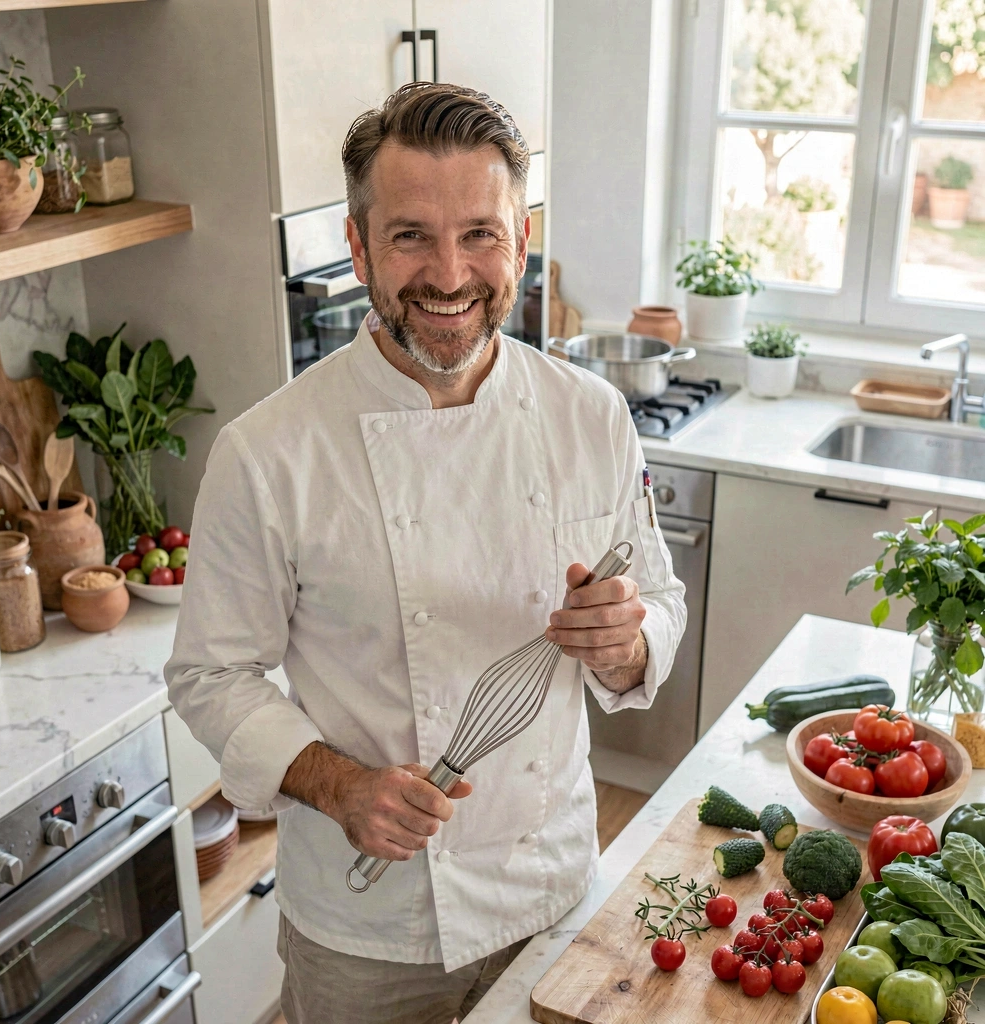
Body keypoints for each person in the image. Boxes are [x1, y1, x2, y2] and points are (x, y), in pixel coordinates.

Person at [166, 81, 686, 1024]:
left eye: (480, 234)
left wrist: (631, 636)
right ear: (359, 247)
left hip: (553, 892)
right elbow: (212, 674)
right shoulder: (270, 451)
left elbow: (656, 597)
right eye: (410, 235)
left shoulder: (590, 416)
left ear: (521, 240)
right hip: (371, 925)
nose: (450, 275)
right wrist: (341, 784)